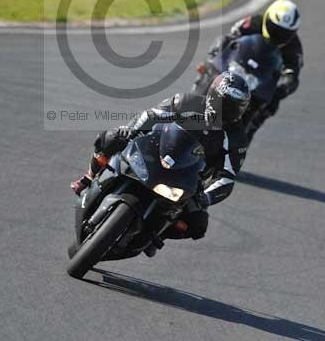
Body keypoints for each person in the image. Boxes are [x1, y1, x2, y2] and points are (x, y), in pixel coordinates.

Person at [71, 71, 250, 253]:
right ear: (214, 95)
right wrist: (130, 131)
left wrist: (207, 196)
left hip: (188, 179)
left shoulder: (237, 138)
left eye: (236, 107)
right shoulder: (186, 102)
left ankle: (157, 234)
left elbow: (227, 176)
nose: (229, 111)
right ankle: (88, 178)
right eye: (226, 104)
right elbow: (152, 115)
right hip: (155, 152)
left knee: (198, 224)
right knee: (110, 138)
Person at [206, 0, 303, 141]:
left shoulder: (294, 48)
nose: (278, 35)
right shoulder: (254, 22)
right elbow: (229, 37)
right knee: (209, 72)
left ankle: (234, 154)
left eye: (284, 33)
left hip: (260, 85)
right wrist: (218, 49)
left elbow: (293, 75)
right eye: (275, 28)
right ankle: (188, 107)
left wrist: (283, 87)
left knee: (263, 112)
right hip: (235, 67)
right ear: (267, 19)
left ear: (292, 33)